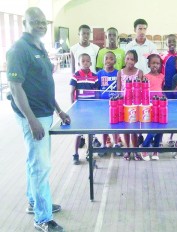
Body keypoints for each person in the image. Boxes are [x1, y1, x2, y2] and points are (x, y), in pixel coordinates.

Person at [6, 7, 70, 231]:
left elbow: (45, 84)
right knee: (41, 166)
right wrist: (31, 121)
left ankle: (35, 201)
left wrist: (59, 110)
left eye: (43, 22)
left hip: (45, 111)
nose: (41, 26)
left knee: (35, 161)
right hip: (32, 115)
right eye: (36, 22)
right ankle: (42, 218)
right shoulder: (18, 50)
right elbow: (15, 87)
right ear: (25, 24)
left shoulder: (39, 46)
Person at [70, 53, 99, 165]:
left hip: (91, 108)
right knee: (78, 133)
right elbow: (72, 92)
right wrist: (73, 107)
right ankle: (75, 154)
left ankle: (89, 152)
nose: (86, 63)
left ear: (91, 63)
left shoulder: (94, 76)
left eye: (88, 61)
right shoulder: (76, 75)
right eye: (83, 61)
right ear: (79, 63)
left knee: (90, 133)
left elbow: (97, 92)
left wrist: (96, 107)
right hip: (80, 109)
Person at [117, 50, 143, 161]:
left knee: (134, 130)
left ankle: (136, 150)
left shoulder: (140, 72)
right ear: (124, 60)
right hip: (124, 104)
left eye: (132, 59)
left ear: (136, 61)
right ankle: (127, 149)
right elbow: (118, 90)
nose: (129, 61)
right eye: (127, 58)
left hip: (135, 104)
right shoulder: (120, 72)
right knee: (126, 129)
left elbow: (141, 89)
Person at [97, 51, 123, 156]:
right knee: (104, 126)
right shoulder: (99, 74)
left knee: (115, 126)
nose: (108, 60)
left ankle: (116, 144)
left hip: (115, 104)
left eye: (111, 58)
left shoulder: (118, 73)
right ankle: (104, 144)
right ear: (103, 60)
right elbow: (97, 89)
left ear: (115, 61)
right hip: (103, 104)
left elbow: (119, 88)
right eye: (106, 58)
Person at [140, 54, 164, 161]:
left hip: (161, 105)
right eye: (153, 63)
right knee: (154, 128)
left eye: (157, 63)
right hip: (149, 106)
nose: (155, 65)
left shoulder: (162, 76)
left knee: (161, 128)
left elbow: (162, 90)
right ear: (149, 64)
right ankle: (144, 146)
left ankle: (156, 148)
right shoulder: (145, 77)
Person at [160, 34, 177, 147]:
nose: (171, 43)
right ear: (166, 44)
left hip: (176, 89)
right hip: (166, 89)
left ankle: (171, 137)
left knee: (174, 114)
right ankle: (160, 138)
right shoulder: (164, 57)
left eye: (173, 41)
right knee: (163, 113)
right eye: (169, 41)